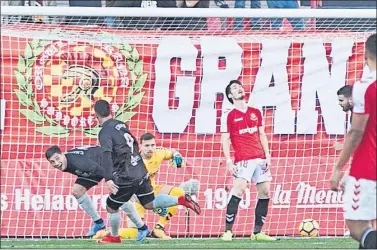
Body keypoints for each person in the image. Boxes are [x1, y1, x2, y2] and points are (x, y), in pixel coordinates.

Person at [93, 100, 201, 244]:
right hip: (140, 169)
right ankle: (180, 200)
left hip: (126, 173)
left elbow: (106, 154)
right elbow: (135, 143)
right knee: (149, 203)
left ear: (96, 115)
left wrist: (108, 178)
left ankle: (114, 237)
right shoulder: (121, 124)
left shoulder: (104, 132)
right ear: (111, 111)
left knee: (111, 206)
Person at [330, 33, 376, 249]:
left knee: (357, 229)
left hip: (368, 167)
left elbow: (356, 132)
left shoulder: (365, 86)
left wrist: (339, 167)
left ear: (366, 54)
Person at [45, 145, 150, 240]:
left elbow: (101, 170)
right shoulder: (67, 161)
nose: (57, 163)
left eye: (58, 158)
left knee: (119, 198)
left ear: (63, 154)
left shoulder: (79, 162)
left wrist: (115, 183)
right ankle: (99, 223)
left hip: (111, 164)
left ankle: (142, 228)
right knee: (77, 191)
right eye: (52, 162)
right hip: (95, 166)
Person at [220, 80, 276, 241]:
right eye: (234, 88)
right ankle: (228, 231)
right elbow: (225, 139)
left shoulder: (255, 111)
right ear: (230, 95)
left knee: (265, 192)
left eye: (239, 86)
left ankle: (257, 233)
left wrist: (268, 154)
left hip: (260, 157)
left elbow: (262, 134)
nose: (239, 89)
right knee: (239, 189)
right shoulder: (229, 115)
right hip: (243, 159)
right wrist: (229, 161)